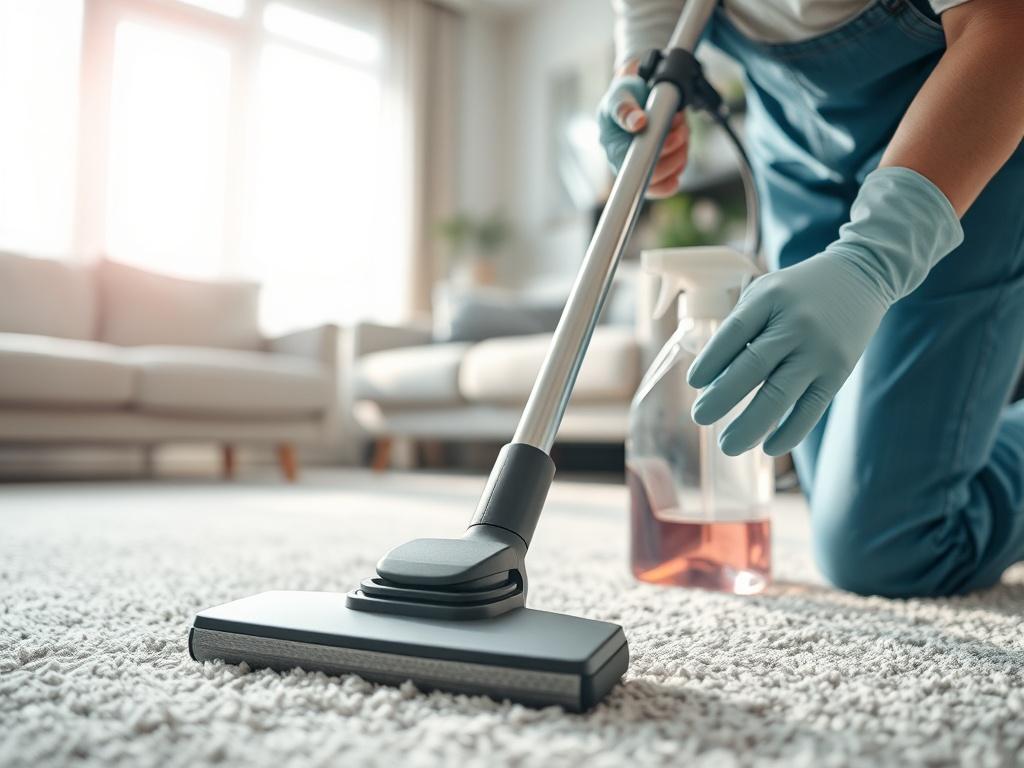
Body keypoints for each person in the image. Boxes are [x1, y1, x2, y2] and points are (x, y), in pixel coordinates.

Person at [598, 0, 1024, 596]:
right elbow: (655, 19)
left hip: (966, 128)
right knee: (829, 482)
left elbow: (1005, 24)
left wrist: (872, 258)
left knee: (888, 544)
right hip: (795, 149)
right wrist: (634, 78)